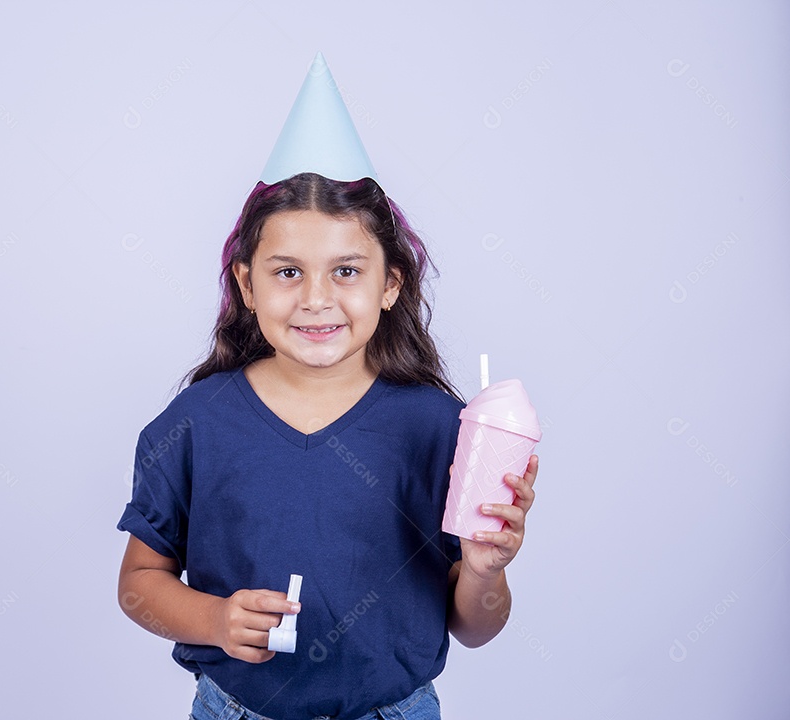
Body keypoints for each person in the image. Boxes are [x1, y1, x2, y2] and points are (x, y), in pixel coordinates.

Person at [116, 55, 539, 720]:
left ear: (390, 283)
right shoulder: (197, 422)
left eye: (346, 270)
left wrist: (487, 569)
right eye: (288, 272)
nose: (317, 299)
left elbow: (475, 628)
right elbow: (139, 584)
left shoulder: (438, 427)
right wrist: (214, 619)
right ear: (246, 283)